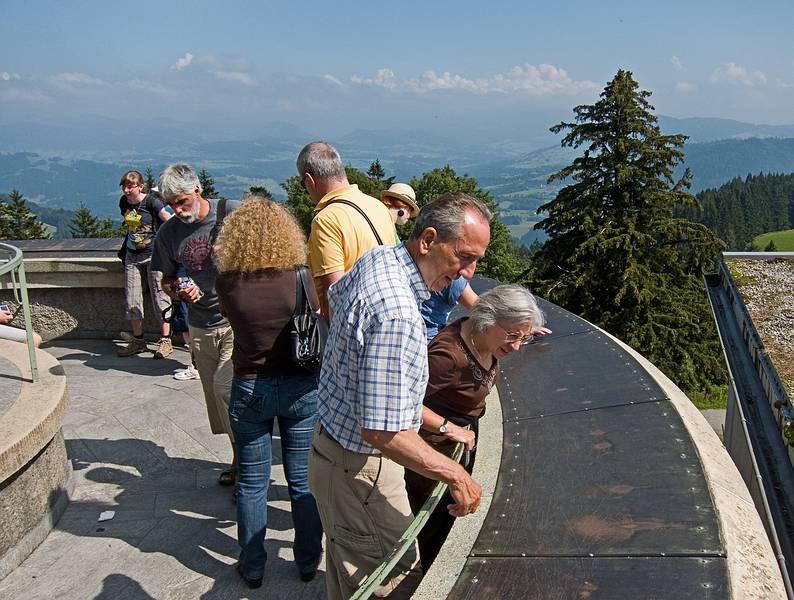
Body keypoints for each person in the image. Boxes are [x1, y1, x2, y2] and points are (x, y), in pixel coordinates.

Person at [308, 192, 491, 600]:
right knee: (395, 586)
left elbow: (335, 310)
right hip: (361, 472)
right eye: (463, 257)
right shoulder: (399, 313)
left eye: (477, 260)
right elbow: (382, 431)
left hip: (330, 450)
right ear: (428, 240)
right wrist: (456, 474)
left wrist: (441, 426)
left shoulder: (379, 259)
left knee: (349, 573)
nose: (468, 273)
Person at [215, 196, 324, 589]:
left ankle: (254, 565)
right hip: (299, 387)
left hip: (250, 386)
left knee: (251, 483)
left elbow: (233, 321)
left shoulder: (227, 282)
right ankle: (309, 561)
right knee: (302, 482)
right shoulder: (300, 277)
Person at [405, 284, 545, 569]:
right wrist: (448, 427)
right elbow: (403, 404)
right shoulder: (447, 356)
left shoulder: (482, 338)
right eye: (512, 335)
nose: (517, 347)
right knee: (437, 525)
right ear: (488, 320)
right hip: (432, 449)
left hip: (460, 439)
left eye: (524, 338)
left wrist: (524, 330)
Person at [151, 163, 239, 486]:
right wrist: (179, 291)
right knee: (218, 402)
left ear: (198, 191)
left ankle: (248, 465)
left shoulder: (229, 214)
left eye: (182, 201)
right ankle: (239, 456)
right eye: (171, 204)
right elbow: (165, 280)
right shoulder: (169, 233)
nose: (177, 210)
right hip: (201, 326)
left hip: (235, 323)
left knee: (227, 389)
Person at [297, 141, 396, 320]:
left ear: (310, 180)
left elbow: (333, 296)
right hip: (383, 315)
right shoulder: (378, 206)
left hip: (351, 330)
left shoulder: (326, 220)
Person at [116, 170, 173, 358]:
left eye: (130, 186)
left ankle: (165, 340)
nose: (126, 190)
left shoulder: (151, 202)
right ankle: (138, 340)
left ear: (140, 186)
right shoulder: (124, 203)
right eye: (124, 186)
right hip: (132, 255)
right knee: (132, 299)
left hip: (153, 255)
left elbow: (167, 219)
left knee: (160, 296)